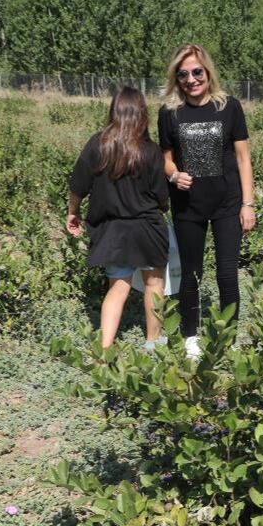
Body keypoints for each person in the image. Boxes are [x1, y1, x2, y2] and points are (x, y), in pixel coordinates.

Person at [157, 43, 256, 359]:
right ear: (176, 78)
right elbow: (165, 159)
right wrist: (174, 175)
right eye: (183, 74)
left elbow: (243, 159)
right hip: (188, 206)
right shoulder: (169, 113)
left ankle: (228, 338)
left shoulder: (229, 107)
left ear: (208, 71)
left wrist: (248, 204)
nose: (191, 79)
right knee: (191, 273)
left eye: (197, 71)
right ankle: (191, 337)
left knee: (227, 273)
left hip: (228, 203)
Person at [67, 86, 169, 351]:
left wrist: (73, 212)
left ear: (114, 111)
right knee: (154, 283)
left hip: (112, 230)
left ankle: (104, 349)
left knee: (118, 288)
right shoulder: (151, 151)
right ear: (142, 114)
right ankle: (153, 343)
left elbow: (78, 184)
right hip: (148, 228)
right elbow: (162, 197)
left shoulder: (98, 144)